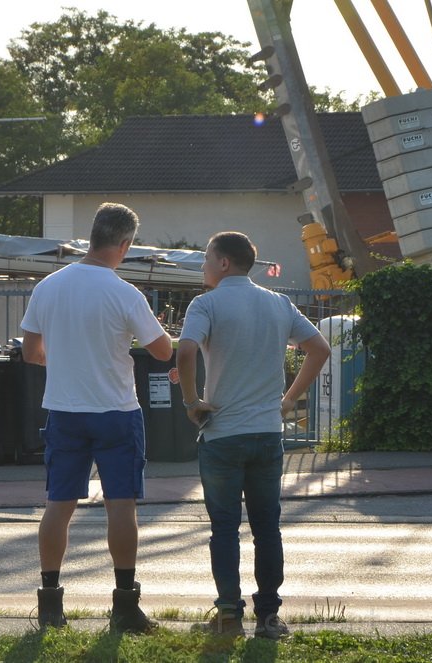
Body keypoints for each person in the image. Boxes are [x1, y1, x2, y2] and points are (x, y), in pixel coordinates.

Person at [20, 202, 173, 632]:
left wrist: (68, 360)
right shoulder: (124, 292)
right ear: (124, 245)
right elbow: (162, 351)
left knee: (58, 505)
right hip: (116, 412)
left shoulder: (48, 286)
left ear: (93, 236)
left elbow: (31, 353)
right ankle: (124, 606)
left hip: (65, 410)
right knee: (120, 505)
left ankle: (50, 604)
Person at [177, 231, 330, 639]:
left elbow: (186, 350)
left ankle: (228, 614)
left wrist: (192, 401)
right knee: (267, 527)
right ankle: (269, 616)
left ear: (224, 262)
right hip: (266, 433)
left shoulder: (205, 304)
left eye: (207, 258)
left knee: (224, 528)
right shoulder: (278, 303)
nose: (204, 265)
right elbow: (319, 349)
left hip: (223, 433)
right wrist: (288, 399)